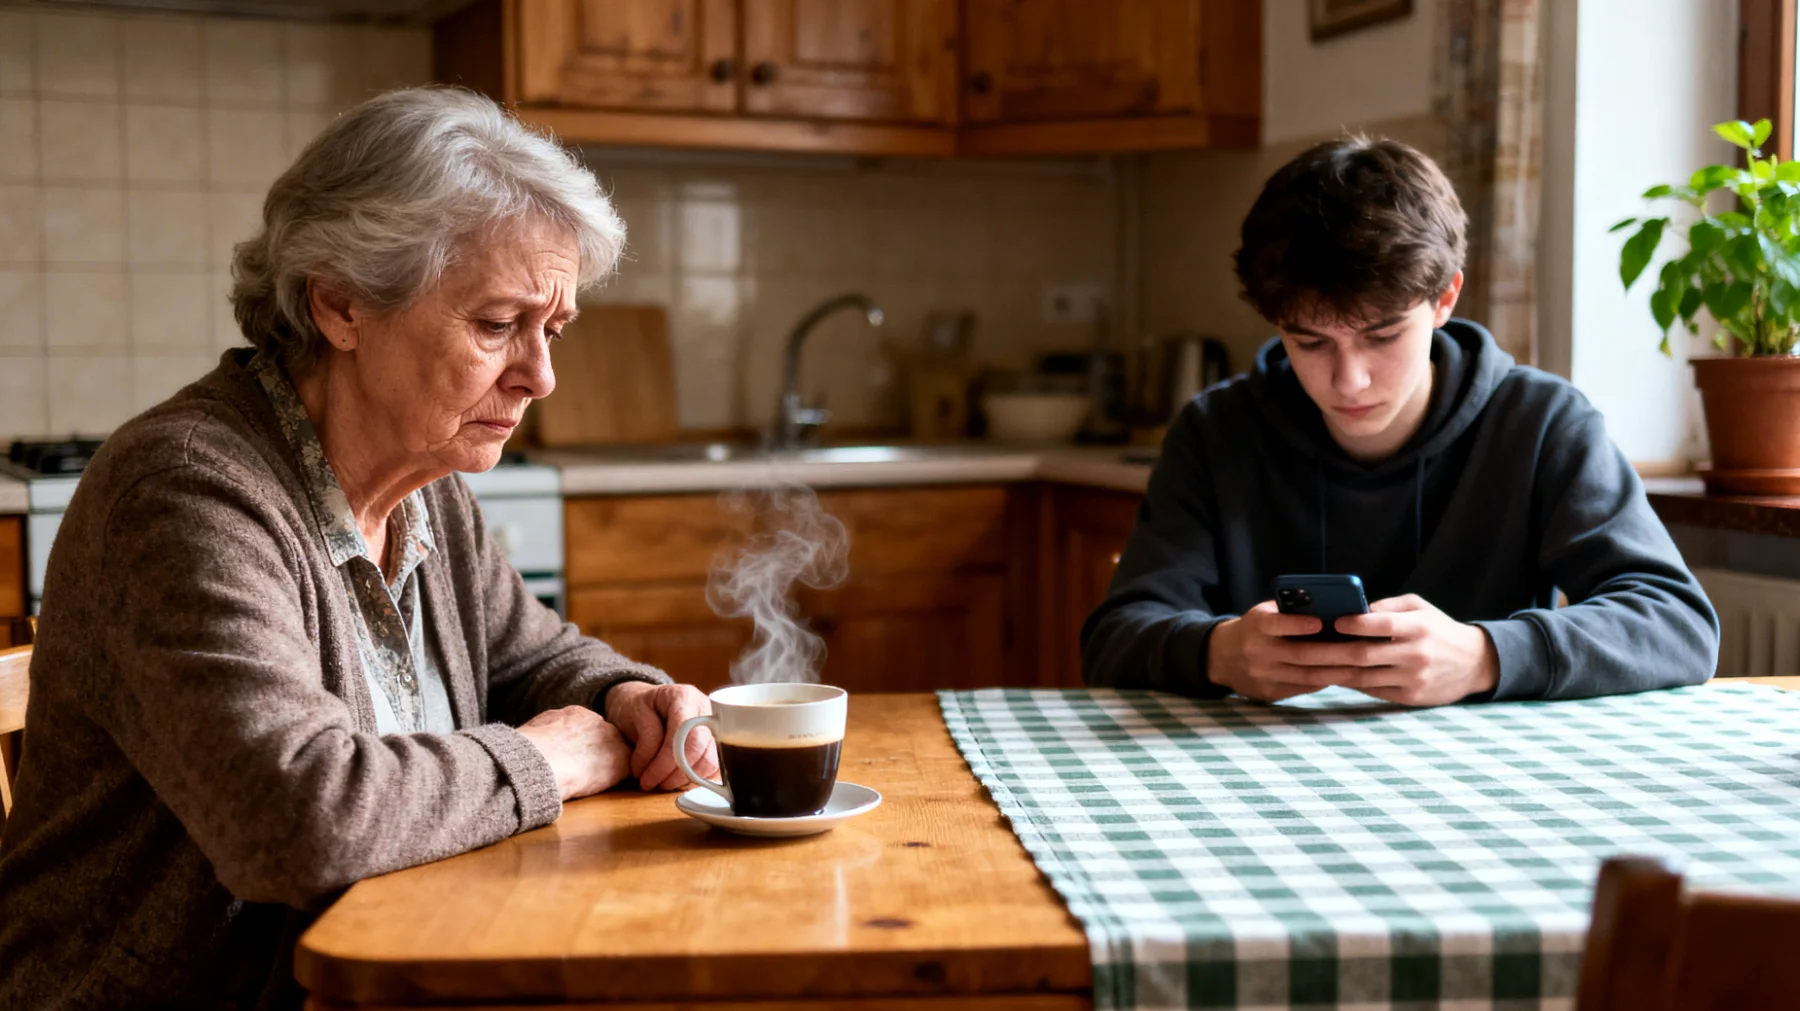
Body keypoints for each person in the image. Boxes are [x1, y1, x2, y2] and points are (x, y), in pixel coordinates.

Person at [0, 88, 718, 1010]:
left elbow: (528, 657)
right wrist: (551, 761)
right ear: (340, 303)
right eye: (497, 324)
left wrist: (625, 696)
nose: (541, 377)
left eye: (552, 330)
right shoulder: (183, 493)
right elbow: (298, 821)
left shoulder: (425, 480)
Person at [1083, 136, 1719, 705]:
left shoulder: (1542, 423)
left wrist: (1485, 656)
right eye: (1310, 343)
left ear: (1445, 299)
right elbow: (1114, 636)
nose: (1349, 380)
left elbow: (1679, 624)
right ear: (1276, 322)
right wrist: (1217, 652)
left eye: (1382, 336)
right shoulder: (1214, 431)